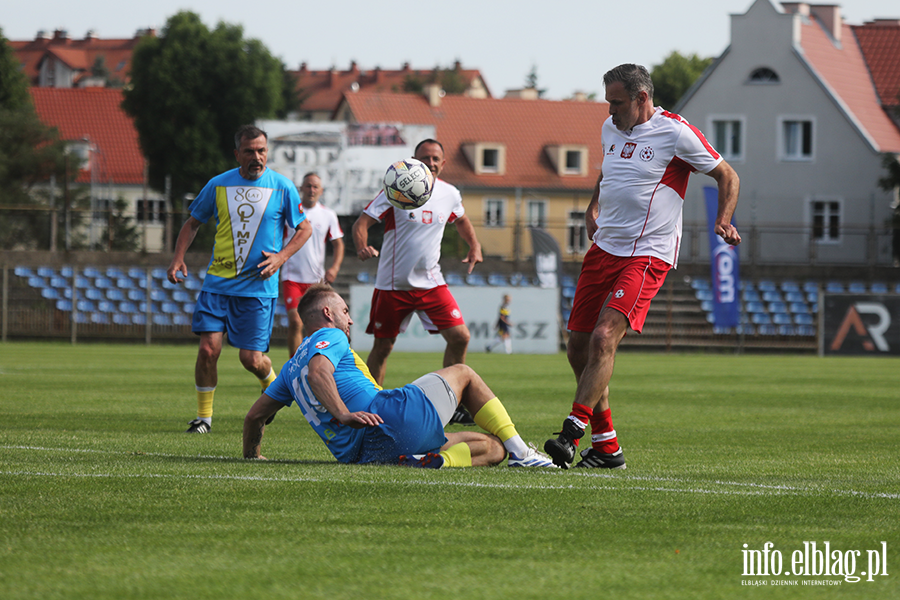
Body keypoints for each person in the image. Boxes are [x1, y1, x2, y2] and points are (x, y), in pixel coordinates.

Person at [543, 64, 741, 469]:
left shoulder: (676, 132)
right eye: (608, 102)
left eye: (617, 102)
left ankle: (571, 433)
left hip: (647, 253)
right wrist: (592, 205)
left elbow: (727, 174)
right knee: (578, 346)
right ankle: (607, 446)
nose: (610, 110)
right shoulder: (610, 128)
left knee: (603, 338)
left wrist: (723, 219)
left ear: (642, 98)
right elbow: (607, 171)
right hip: (604, 248)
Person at [243, 284, 557, 468]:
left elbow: (254, 417)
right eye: (345, 311)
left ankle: (437, 462)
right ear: (328, 314)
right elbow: (318, 372)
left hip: (368, 455)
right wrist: (343, 414)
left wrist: (253, 456)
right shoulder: (330, 335)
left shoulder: (288, 370)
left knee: (493, 449)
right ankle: (523, 453)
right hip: (386, 418)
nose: (349, 320)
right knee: (464, 373)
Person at [168, 124, 312, 434]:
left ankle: (271, 384)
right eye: (249, 151)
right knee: (208, 350)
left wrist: (281, 257)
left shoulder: (283, 187)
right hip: (217, 285)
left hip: (257, 289)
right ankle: (203, 419)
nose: (256, 157)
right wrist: (178, 257)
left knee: (251, 360)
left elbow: (304, 229)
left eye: (261, 151)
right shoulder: (218, 185)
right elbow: (192, 224)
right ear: (237, 154)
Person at [352, 138, 483, 424]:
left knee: (461, 337)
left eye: (436, 159)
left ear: (443, 163)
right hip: (393, 285)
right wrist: (362, 246)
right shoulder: (396, 189)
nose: (431, 163)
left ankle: (452, 403)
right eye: (425, 158)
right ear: (413, 161)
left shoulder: (449, 193)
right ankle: (370, 407)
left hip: (432, 282)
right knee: (383, 347)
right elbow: (361, 223)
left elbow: (461, 219)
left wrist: (474, 246)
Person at [280, 172, 345, 357]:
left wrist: (334, 268)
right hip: (292, 277)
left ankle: (315, 363)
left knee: (318, 327)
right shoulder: (290, 213)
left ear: (321, 191)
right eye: (308, 186)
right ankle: (294, 367)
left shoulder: (328, 215)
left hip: (316, 281)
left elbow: (338, 244)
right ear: (301, 189)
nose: (311, 190)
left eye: (315, 187)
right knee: (296, 322)